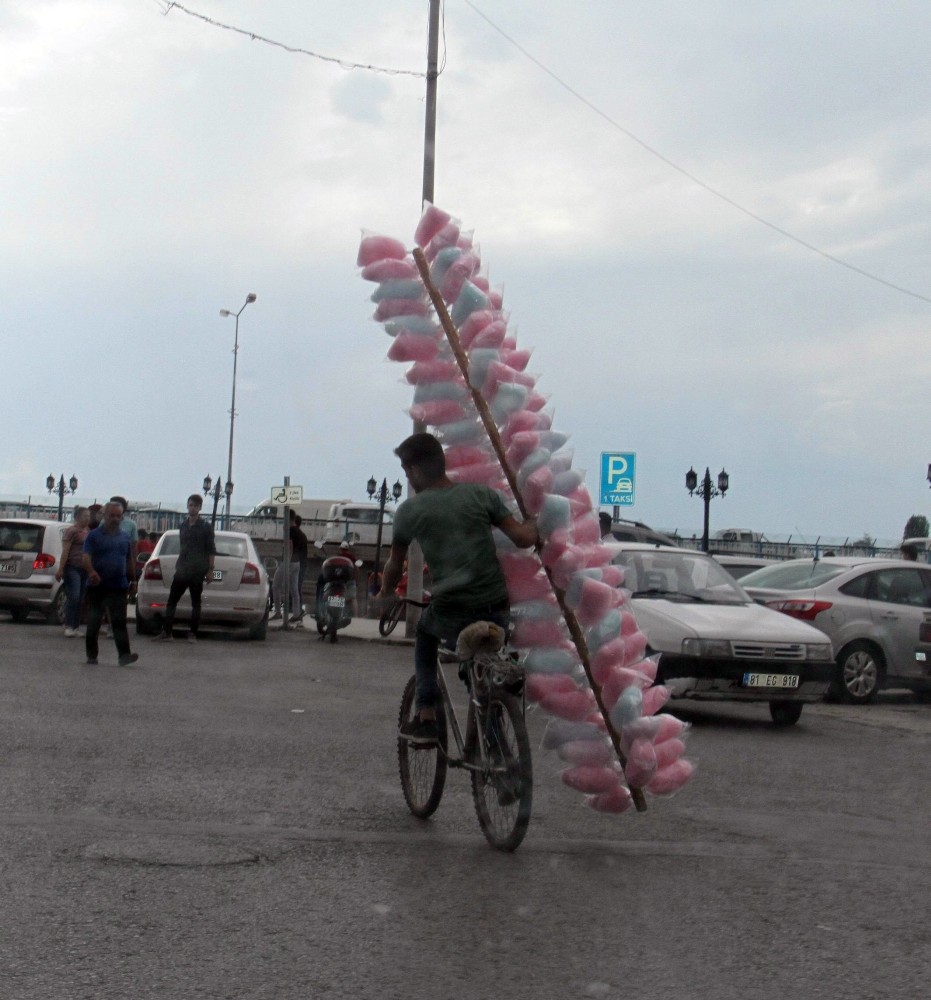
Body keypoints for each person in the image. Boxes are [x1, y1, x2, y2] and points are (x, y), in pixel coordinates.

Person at [376, 432, 538, 744]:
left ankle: (425, 714)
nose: (408, 478)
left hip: (451, 610)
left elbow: (395, 564)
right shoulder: (482, 496)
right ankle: (497, 751)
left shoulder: (410, 511)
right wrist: (534, 524)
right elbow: (522, 539)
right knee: (478, 669)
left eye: (407, 471)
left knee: (424, 634)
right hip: (496, 606)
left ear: (416, 471)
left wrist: (385, 593)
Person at [152, 494, 216, 643]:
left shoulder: (205, 527)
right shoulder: (183, 526)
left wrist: (210, 570)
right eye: (190, 505)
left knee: (196, 602)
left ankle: (193, 633)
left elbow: (211, 550)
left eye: (195, 505)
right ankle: (167, 632)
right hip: (182, 569)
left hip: (197, 570)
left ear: (199, 508)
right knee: (172, 600)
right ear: (187, 506)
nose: (192, 508)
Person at [82, 501, 139, 666]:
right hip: (97, 586)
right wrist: (92, 572)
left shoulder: (124, 537)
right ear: (105, 516)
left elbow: (129, 561)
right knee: (94, 621)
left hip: (119, 585)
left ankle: (124, 655)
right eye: (111, 515)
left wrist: (133, 580)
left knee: (119, 622)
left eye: (118, 516)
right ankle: (92, 655)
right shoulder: (93, 536)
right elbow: (85, 558)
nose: (115, 519)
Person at [56, 506, 90, 637]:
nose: (87, 518)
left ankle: (75, 626)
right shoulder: (71, 531)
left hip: (84, 569)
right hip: (72, 567)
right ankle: (68, 624)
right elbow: (65, 551)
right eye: (85, 516)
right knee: (74, 596)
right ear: (77, 517)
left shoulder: (88, 531)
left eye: (88, 516)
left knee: (81, 598)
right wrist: (60, 569)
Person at [270, 509, 302, 621]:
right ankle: (296, 614)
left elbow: (290, 547)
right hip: (297, 563)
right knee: (294, 589)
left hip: (289, 562)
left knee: (275, 586)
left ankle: (278, 612)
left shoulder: (290, 531)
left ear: (289, 518)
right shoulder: (298, 531)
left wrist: (287, 562)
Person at [290, 514, 309, 623]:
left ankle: (298, 612)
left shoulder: (294, 534)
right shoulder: (303, 535)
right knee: (297, 587)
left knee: (295, 588)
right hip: (303, 563)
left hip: (297, 563)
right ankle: (298, 611)